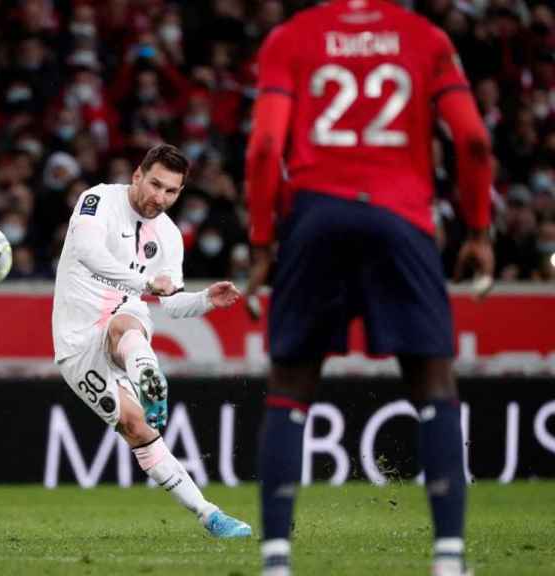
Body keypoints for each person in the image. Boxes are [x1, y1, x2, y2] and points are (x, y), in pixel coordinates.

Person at [244, 2, 494, 575]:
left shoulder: (291, 38)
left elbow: (263, 148)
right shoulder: (424, 37)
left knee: (290, 385)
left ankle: (277, 562)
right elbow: (474, 140)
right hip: (401, 215)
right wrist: (478, 228)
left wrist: (262, 241)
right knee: (433, 382)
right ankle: (450, 560)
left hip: (316, 214)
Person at [51, 143, 252, 539]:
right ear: (138, 175)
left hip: (125, 323)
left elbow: (171, 304)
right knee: (135, 427)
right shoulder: (97, 200)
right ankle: (146, 376)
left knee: (126, 322)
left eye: (171, 192)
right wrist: (145, 282)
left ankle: (210, 516)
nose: (159, 198)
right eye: (155, 184)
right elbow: (88, 252)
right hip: (76, 341)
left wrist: (203, 300)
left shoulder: (170, 237)